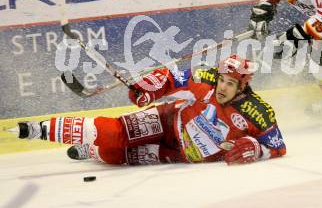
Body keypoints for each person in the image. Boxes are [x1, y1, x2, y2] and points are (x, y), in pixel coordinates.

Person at [11, 55, 286, 165]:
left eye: (230, 83)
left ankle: (93, 148)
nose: (222, 88)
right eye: (222, 80)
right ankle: (38, 128)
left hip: (178, 155)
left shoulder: (258, 111)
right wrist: (149, 90)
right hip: (166, 121)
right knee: (112, 133)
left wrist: (256, 147)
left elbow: (278, 147)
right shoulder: (206, 78)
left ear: (242, 85)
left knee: (112, 156)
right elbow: (171, 76)